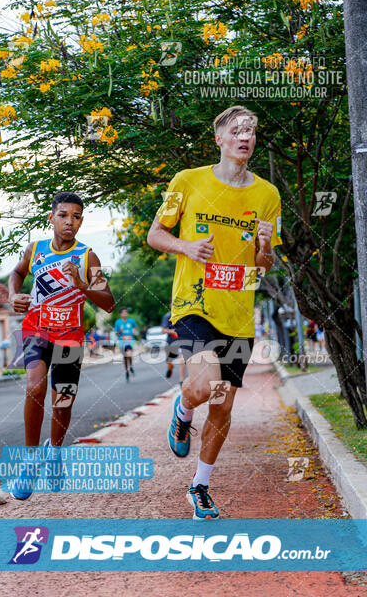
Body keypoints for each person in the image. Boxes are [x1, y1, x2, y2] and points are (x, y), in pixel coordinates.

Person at [147, 105, 282, 519]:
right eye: (236, 130)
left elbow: (266, 264)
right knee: (204, 387)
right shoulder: (188, 182)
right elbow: (155, 234)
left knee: (223, 405)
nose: (245, 136)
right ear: (219, 139)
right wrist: (187, 247)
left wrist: (262, 247)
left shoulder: (267, 195)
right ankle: (184, 409)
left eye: (251, 131)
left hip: (239, 313)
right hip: (194, 302)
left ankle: (199, 487)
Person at [8, 191, 115, 500]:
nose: (70, 222)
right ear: (51, 218)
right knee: (35, 386)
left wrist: (84, 285)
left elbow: (108, 303)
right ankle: (29, 462)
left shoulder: (87, 256)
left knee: (64, 400)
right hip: (37, 329)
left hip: (69, 335)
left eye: (77, 216)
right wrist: (14, 295)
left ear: (81, 221)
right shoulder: (36, 249)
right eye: (64, 215)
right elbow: (17, 272)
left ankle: (54, 451)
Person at [162, 302, 186, 386]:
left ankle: (181, 381)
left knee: (182, 360)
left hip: (181, 341)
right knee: (169, 362)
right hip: (171, 342)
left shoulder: (183, 315)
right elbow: (163, 330)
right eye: (173, 303)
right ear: (170, 305)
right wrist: (173, 331)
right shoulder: (168, 316)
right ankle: (170, 369)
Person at [114, 307, 138, 382]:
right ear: (120, 314)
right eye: (123, 312)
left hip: (130, 340)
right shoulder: (118, 322)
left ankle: (130, 366)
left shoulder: (131, 321)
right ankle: (127, 371)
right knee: (125, 357)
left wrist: (134, 331)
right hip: (122, 341)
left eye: (126, 312)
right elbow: (116, 333)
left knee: (129, 354)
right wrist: (119, 332)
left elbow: (136, 327)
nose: (125, 314)